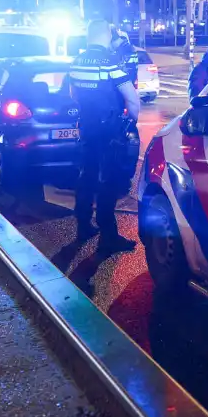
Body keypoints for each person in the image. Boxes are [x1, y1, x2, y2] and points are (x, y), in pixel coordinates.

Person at [69, 19, 141, 254]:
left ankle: (83, 225)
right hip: (109, 130)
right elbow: (132, 98)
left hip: (87, 127)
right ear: (107, 36)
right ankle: (108, 236)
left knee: (86, 175)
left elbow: (73, 94)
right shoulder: (109, 61)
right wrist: (131, 121)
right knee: (108, 181)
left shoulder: (77, 61)